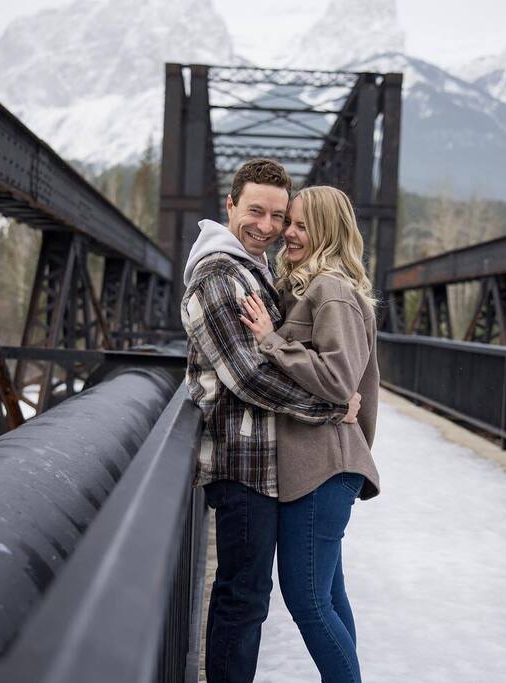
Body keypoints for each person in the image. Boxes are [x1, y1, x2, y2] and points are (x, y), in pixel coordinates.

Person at [181, 160, 362, 683]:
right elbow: (248, 377)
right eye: (255, 211)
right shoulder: (220, 273)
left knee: (287, 597)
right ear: (230, 206)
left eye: (280, 217)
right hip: (242, 463)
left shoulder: (255, 269)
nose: (267, 226)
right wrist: (330, 408)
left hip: (270, 462)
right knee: (245, 598)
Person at [239, 185, 381, 683]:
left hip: (325, 465)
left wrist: (271, 342)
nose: (288, 233)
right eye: (289, 222)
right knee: (328, 598)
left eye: (301, 225)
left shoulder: (331, 290)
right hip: (319, 464)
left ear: (326, 231)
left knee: (307, 598)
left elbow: (340, 381)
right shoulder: (306, 286)